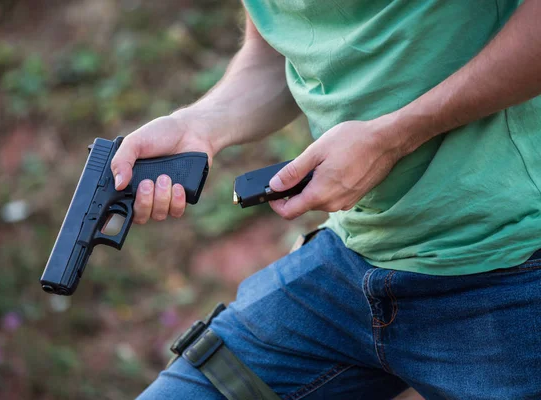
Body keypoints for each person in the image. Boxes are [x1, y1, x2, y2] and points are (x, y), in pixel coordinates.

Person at [111, 1, 541, 398]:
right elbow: (273, 52)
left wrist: (393, 137)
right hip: (348, 264)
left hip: (507, 269)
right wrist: (198, 126)